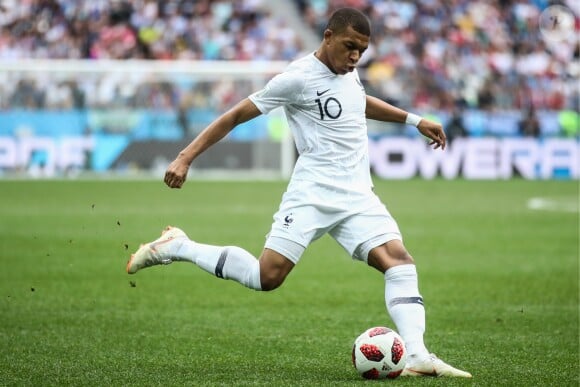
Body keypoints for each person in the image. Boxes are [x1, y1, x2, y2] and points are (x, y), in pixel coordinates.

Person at [126, 8, 471, 378]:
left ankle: (417, 355)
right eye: (349, 46)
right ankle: (178, 246)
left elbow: (358, 102)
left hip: (357, 194)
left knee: (399, 262)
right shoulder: (297, 79)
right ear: (327, 37)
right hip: (312, 193)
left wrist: (415, 120)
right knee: (267, 277)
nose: (355, 56)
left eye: (362, 50)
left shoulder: (349, 74)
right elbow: (235, 115)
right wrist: (184, 157)